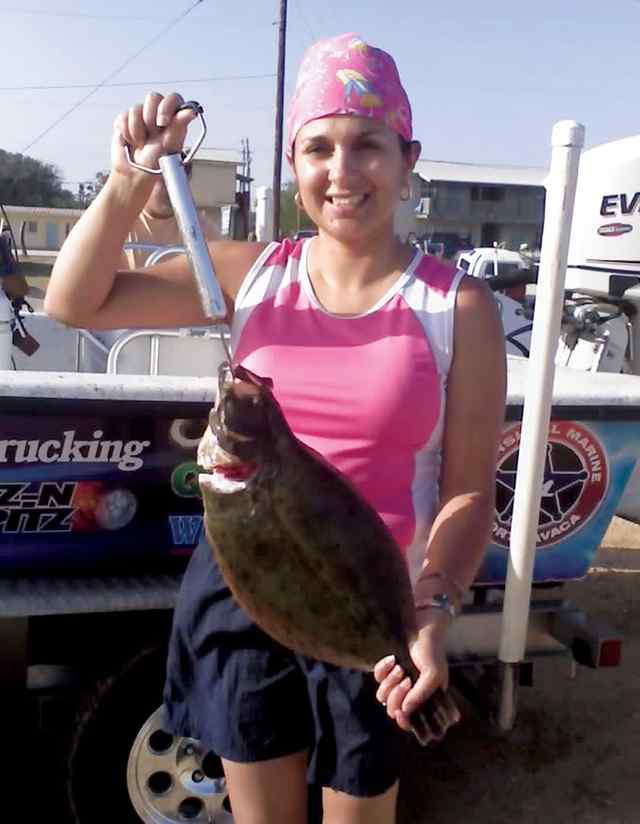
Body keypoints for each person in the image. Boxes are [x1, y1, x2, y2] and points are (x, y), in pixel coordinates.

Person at [45, 33, 506, 824]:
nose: (341, 171)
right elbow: (75, 301)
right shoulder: (251, 273)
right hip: (243, 592)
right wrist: (130, 177)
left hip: (376, 598)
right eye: (318, 147)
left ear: (407, 158)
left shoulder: (458, 307)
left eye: (367, 145)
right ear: (294, 165)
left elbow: (467, 490)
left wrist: (431, 611)